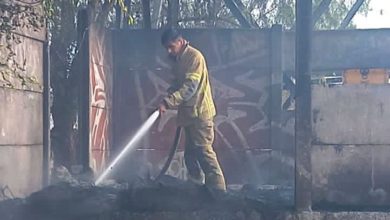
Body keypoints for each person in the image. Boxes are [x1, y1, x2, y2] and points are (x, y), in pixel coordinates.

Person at [158, 28, 226, 191]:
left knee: (204, 153)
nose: (169, 51)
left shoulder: (194, 57)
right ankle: (196, 190)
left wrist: (169, 102)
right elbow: (178, 84)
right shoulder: (179, 60)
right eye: (166, 48)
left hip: (200, 115)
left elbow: (190, 87)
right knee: (190, 157)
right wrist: (169, 93)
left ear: (180, 42)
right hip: (189, 116)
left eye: (171, 46)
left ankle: (219, 192)